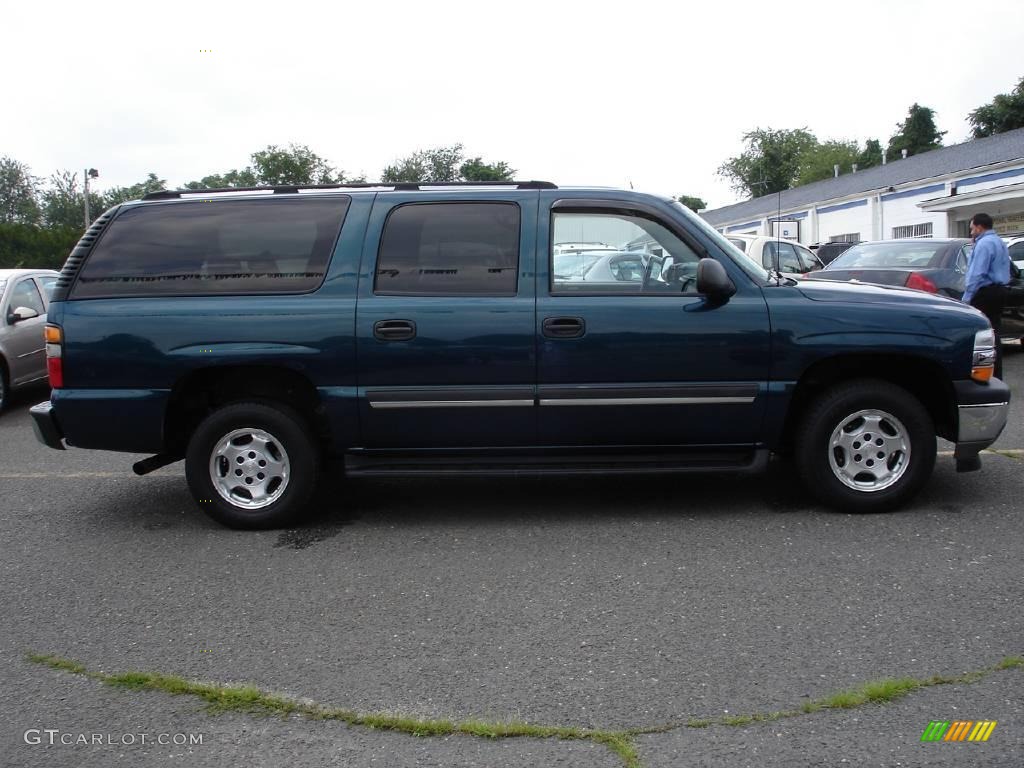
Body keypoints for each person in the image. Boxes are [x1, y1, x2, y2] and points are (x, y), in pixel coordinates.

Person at [963, 212, 1011, 379]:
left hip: (985, 293)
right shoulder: (999, 242)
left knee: (981, 334)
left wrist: (967, 299)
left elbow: (976, 274)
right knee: (994, 332)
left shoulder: (984, 244)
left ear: (979, 227)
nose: (971, 232)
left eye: (972, 228)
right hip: (1000, 290)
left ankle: (983, 374)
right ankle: (996, 374)